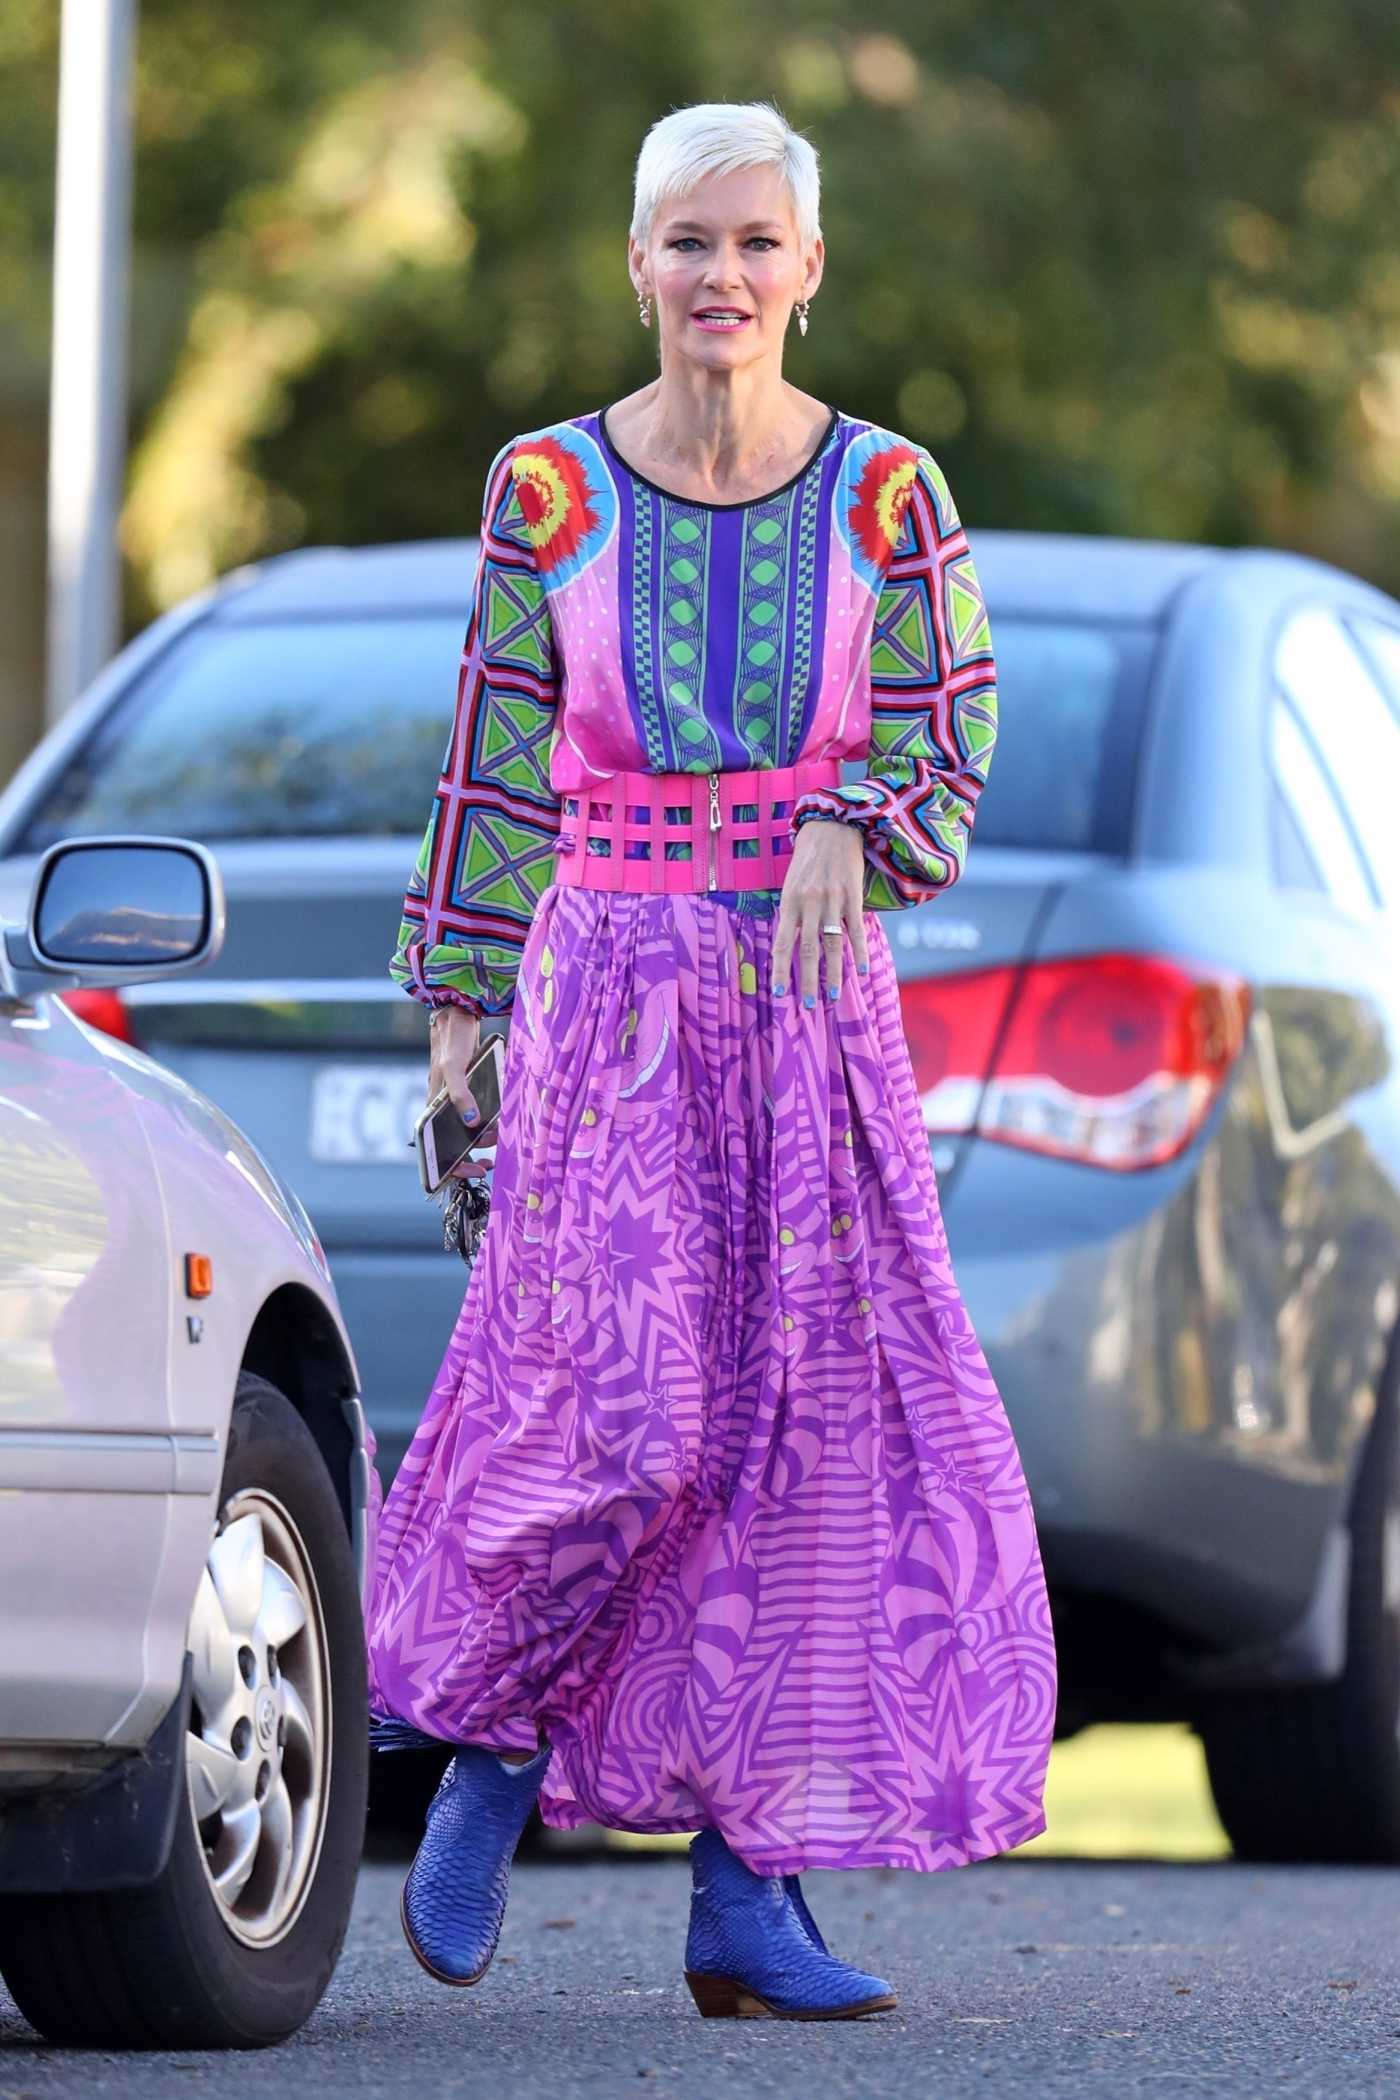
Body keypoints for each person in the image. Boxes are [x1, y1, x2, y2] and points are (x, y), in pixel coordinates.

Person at [365, 98, 1056, 2022]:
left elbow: (955, 719)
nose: (723, 278)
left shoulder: (891, 496)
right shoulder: (550, 492)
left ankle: (753, 1901)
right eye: (690, 242)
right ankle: (494, 1748)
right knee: (620, 1413)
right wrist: (460, 1009)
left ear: (810, 273)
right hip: (605, 998)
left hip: (811, 1006)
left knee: (807, 1441)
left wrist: (860, 814)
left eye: (758, 244)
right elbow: (501, 754)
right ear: (638, 265)